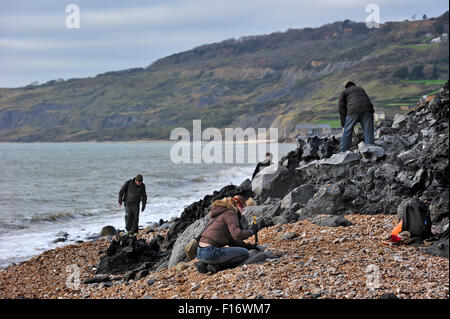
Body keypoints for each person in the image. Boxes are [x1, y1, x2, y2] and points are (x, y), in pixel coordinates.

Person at [195, 195, 258, 274]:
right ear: (238, 205)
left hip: (199, 252)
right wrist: (251, 232)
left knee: (243, 250)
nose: (243, 212)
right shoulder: (231, 213)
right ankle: (217, 267)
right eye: (243, 209)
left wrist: (250, 246)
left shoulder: (221, 213)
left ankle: (204, 264)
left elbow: (231, 241)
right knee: (244, 253)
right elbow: (237, 234)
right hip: (210, 252)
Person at [338, 81, 375, 152]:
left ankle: (343, 151)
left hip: (353, 110)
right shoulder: (361, 89)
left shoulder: (345, 92)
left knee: (347, 131)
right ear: (354, 86)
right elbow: (367, 100)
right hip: (367, 109)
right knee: (368, 131)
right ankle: (370, 151)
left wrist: (343, 123)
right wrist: (371, 112)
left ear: (347, 87)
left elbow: (341, 108)